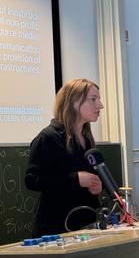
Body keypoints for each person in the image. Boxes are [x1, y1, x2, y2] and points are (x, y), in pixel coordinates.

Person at [25, 78, 104, 236]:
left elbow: (84, 177)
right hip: (57, 227)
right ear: (75, 102)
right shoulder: (48, 137)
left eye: (99, 99)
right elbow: (32, 180)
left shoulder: (86, 138)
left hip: (85, 224)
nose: (100, 105)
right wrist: (75, 179)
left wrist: (95, 185)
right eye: (93, 99)